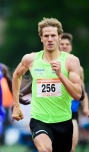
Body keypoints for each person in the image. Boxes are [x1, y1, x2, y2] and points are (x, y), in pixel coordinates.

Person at [12, 18, 83, 152]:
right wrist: (16, 105)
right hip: (39, 119)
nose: (50, 39)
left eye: (53, 35)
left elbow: (77, 94)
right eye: (46, 36)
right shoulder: (30, 59)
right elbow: (16, 75)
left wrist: (60, 75)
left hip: (63, 120)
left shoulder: (71, 61)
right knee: (45, 149)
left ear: (59, 37)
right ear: (41, 38)